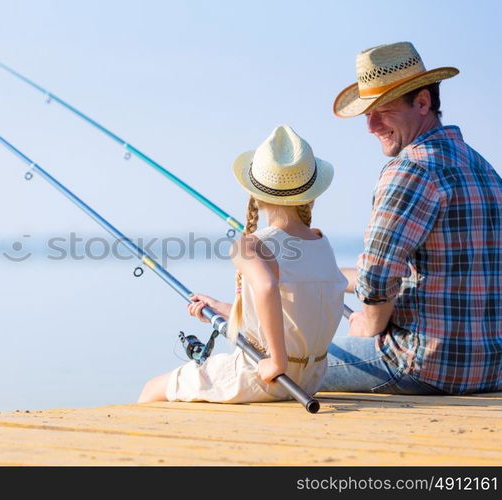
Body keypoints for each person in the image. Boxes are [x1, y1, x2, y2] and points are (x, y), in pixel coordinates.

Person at [322, 41, 502, 395]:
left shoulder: (411, 169)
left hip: (422, 366)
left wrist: (368, 327)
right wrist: (313, 275)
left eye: (381, 111)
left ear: (422, 102)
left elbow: (377, 279)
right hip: (492, 370)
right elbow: (433, 275)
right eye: (366, 113)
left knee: (269, 360)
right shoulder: (484, 170)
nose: (371, 125)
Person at [138, 125, 347, 403]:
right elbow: (290, 310)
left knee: (153, 388)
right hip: (308, 382)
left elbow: (266, 286)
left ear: (256, 196)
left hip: (264, 377)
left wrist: (276, 362)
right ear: (311, 196)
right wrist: (224, 309)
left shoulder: (248, 245)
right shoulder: (322, 243)